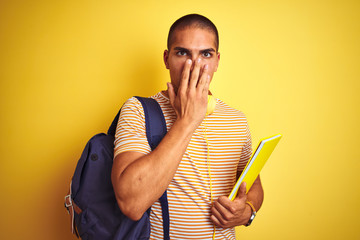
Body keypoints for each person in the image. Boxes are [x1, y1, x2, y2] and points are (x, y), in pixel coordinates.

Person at [111, 14, 264, 239]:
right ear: (166, 58)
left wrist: (247, 212)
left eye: (206, 54)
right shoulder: (138, 110)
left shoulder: (237, 119)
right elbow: (131, 203)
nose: (194, 65)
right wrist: (187, 121)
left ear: (217, 61)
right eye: (182, 53)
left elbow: (254, 186)